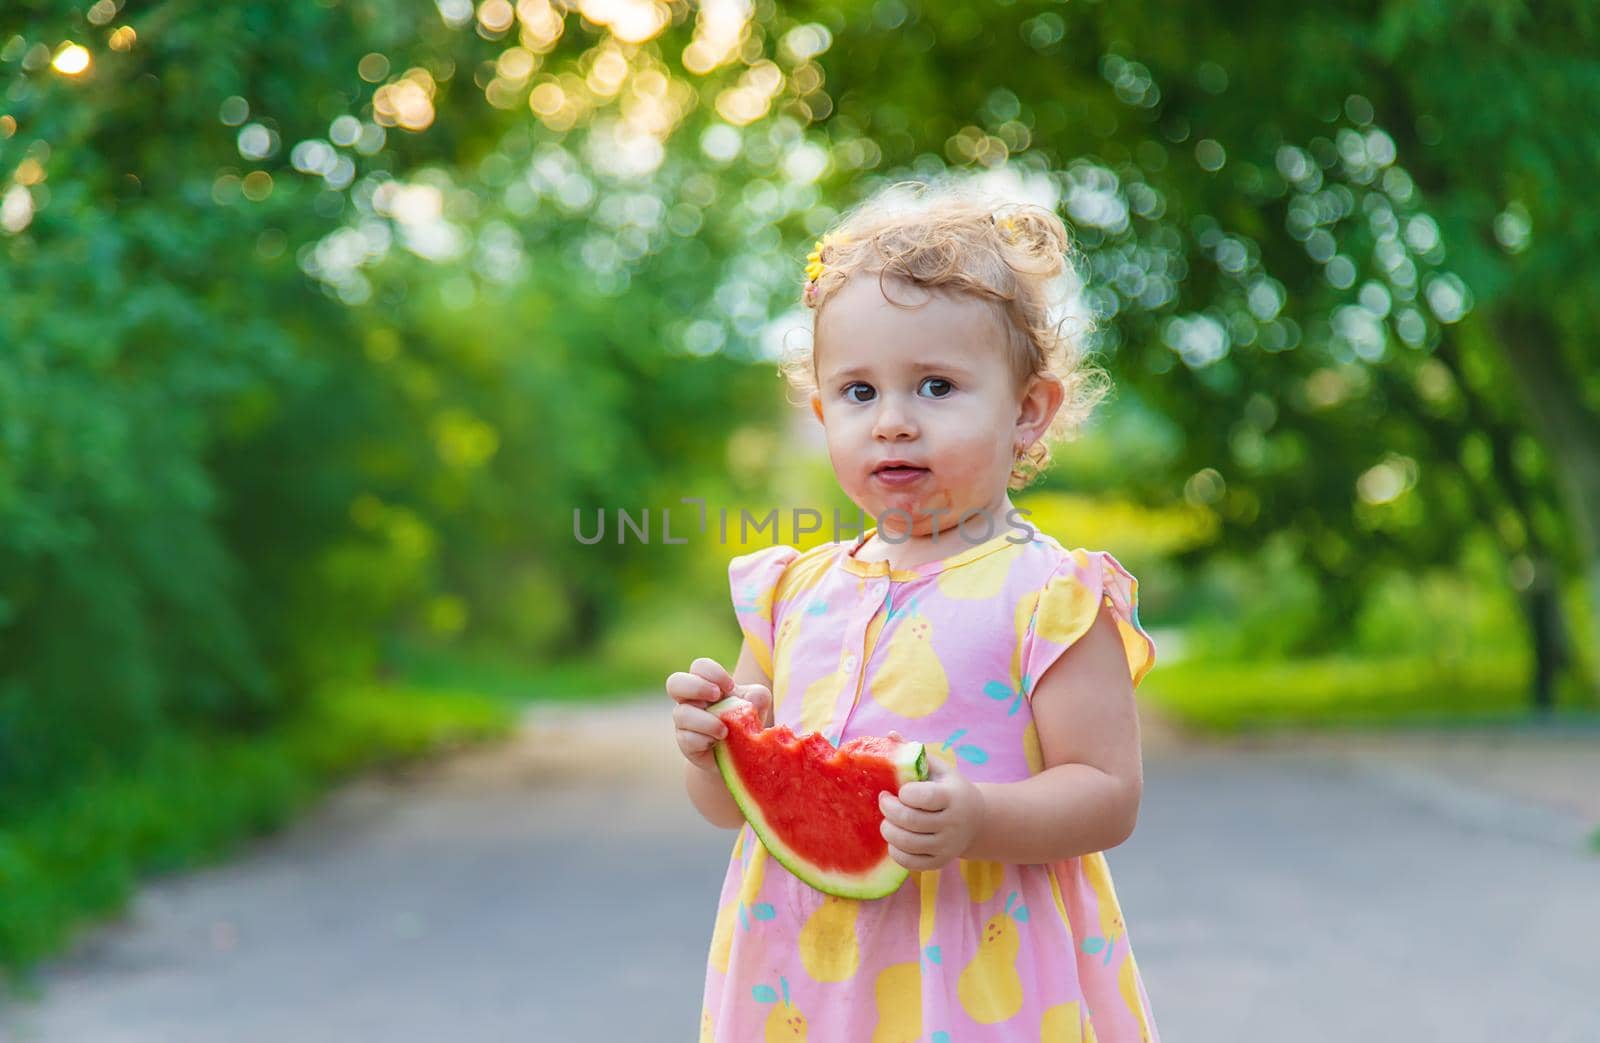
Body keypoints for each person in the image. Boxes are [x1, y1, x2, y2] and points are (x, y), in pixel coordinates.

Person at [665, 179, 1161, 1042]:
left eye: (935, 386)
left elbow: (1108, 794)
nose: (893, 422)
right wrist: (713, 750)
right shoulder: (790, 593)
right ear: (822, 414)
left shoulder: (1052, 594)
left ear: (1028, 411)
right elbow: (732, 805)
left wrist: (980, 820)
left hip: (979, 975)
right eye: (859, 393)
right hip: (804, 982)